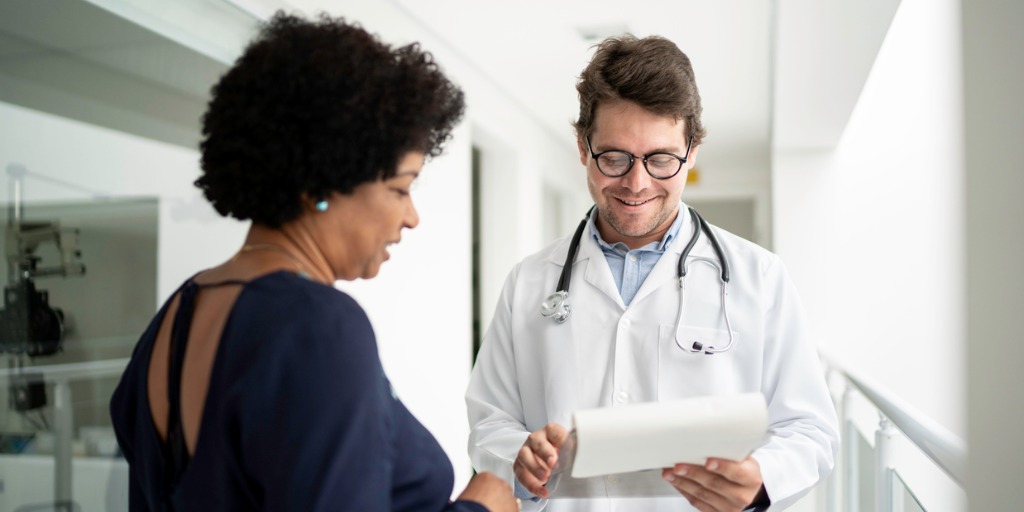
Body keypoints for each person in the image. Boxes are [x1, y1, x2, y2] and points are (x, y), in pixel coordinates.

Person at [109, 13, 517, 512]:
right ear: (318, 184)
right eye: (400, 188)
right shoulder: (318, 326)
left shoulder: (175, 317)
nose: (412, 217)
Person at [466, 34, 838, 512]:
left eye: (661, 159)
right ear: (583, 147)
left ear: (693, 150)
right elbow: (489, 419)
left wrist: (762, 480)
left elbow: (811, 429)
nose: (637, 183)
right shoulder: (529, 282)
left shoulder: (760, 277)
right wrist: (516, 456)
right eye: (614, 158)